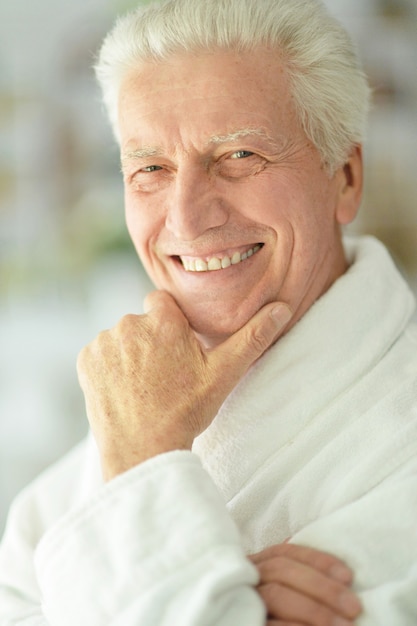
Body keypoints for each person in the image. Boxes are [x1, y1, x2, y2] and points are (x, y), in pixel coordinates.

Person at [1, 0, 416, 623]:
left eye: (241, 156)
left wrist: (141, 470)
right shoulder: (105, 448)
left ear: (346, 178)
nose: (188, 218)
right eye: (150, 169)